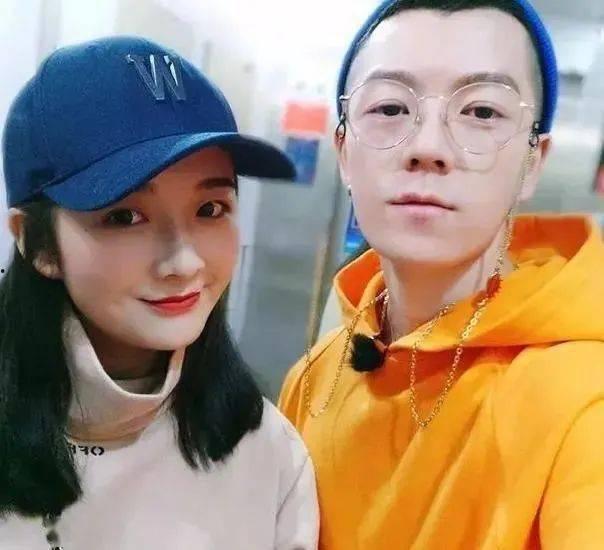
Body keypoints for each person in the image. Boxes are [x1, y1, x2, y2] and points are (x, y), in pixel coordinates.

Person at [278, 1, 604, 548]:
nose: (427, 148)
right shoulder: (315, 373)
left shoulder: (581, 400)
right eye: (389, 107)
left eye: (481, 112)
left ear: (533, 161)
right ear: (344, 151)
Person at [0, 36, 318, 549]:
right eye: (125, 216)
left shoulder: (269, 455)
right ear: (36, 243)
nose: (184, 262)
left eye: (210, 209)